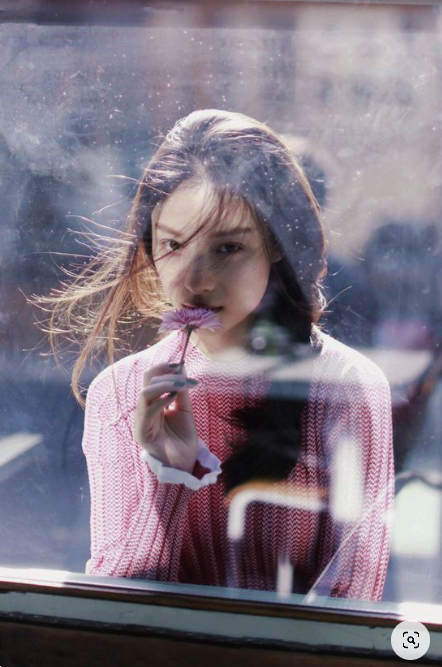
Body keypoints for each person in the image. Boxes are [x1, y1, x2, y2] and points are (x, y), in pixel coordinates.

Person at [42, 109, 394, 600]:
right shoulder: (120, 392)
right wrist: (169, 476)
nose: (194, 280)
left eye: (228, 248)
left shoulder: (345, 385)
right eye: (173, 245)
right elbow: (118, 609)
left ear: (277, 244)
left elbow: (354, 594)